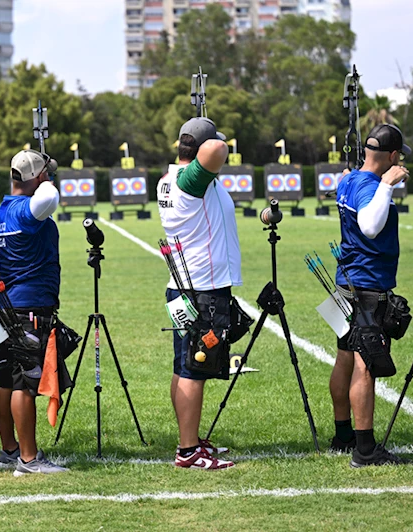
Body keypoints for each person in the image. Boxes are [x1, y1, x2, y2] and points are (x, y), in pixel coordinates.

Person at [157, 118, 240, 470]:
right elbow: (216, 149)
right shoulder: (189, 180)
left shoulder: (170, 179)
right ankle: (188, 450)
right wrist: (210, 139)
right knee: (194, 369)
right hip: (202, 290)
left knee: (183, 366)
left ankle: (189, 440)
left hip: (184, 287)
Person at [329, 124, 412, 467]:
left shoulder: (348, 179)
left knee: (344, 356)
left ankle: (343, 434)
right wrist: (387, 185)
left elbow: (357, 190)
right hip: (367, 288)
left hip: (344, 282)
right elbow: (370, 225)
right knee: (365, 365)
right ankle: (364, 450)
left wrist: (381, 183)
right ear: (393, 157)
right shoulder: (371, 186)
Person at [0, 149, 68, 476]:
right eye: (45, 173)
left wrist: (38, 174)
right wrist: (44, 181)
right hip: (28, 308)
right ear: (36, 178)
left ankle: (10, 450)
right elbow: (49, 197)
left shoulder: (4, 210)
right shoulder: (25, 211)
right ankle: (28, 459)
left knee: (6, 379)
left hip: (6, 304)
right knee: (25, 383)